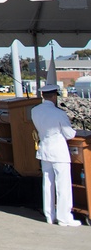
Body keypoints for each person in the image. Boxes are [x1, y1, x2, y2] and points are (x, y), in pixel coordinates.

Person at [31, 83, 81, 226]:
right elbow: (69, 134)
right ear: (54, 96)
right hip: (59, 152)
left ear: (43, 96)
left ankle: (49, 215)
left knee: (48, 184)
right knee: (62, 185)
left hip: (44, 150)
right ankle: (64, 217)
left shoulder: (35, 111)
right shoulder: (59, 113)